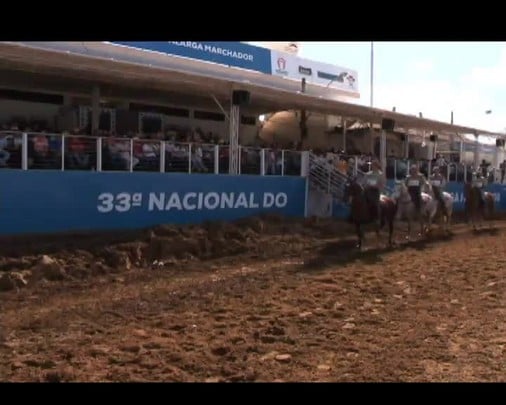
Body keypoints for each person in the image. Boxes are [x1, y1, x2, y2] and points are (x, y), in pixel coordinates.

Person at [361, 159, 386, 226]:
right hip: (367, 191)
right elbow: (363, 182)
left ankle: (377, 218)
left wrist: (375, 187)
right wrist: (365, 186)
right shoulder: (368, 174)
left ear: (377, 166)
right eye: (372, 165)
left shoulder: (381, 175)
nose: (373, 166)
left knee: (375, 204)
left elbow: (382, 185)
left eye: (374, 165)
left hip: (375, 192)